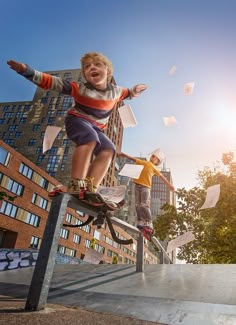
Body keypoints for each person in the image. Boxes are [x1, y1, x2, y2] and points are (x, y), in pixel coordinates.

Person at [7, 52, 147, 202]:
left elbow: (128, 93)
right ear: (85, 75)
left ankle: (90, 187)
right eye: (87, 67)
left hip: (97, 128)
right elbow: (52, 82)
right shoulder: (79, 88)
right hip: (77, 121)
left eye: (97, 65)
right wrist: (26, 70)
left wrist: (135, 90)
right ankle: (76, 183)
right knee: (90, 139)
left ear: (108, 71)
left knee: (109, 149)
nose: (92, 68)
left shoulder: (116, 91)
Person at [118, 150, 175, 236]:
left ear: (158, 162)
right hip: (137, 186)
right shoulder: (143, 162)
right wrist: (124, 155)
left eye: (155, 157)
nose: (152, 157)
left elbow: (162, 177)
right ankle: (141, 220)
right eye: (152, 156)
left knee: (144, 204)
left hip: (146, 187)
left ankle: (149, 222)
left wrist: (169, 185)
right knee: (137, 204)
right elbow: (133, 159)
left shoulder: (155, 168)